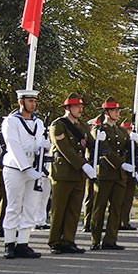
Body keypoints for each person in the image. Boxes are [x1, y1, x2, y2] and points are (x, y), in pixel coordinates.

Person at [1, 90, 47, 260]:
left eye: (35, 101)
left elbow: (38, 142)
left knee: (30, 206)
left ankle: (23, 243)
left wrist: (44, 146)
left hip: (33, 168)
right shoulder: (11, 122)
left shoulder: (39, 122)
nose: (33, 104)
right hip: (16, 167)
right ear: (21, 102)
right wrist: (26, 167)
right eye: (30, 101)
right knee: (14, 205)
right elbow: (13, 145)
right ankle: (9, 243)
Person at [48, 95, 93, 255]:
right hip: (63, 172)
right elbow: (65, 148)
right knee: (59, 208)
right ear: (68, 109)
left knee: (74, 209)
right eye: (76, 107)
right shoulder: (58, 125)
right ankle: (55, 241)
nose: (80, 109)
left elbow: (92, 145)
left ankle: (68, 240)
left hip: (78, 174)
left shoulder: (82, 126)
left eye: (81, 106)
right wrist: (84, 165)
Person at [88, 99, 130, 250]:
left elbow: (126, 150)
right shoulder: (99, 130)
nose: (117, 113)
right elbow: (104, 150)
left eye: (118, 110)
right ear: (106, 112)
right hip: (105, 174)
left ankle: (110, 239)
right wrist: (120, 163)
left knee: (116, 208)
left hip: (119, 175)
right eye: (114, 110)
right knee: (99, 207)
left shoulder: (122, 131)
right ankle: (95, 239)